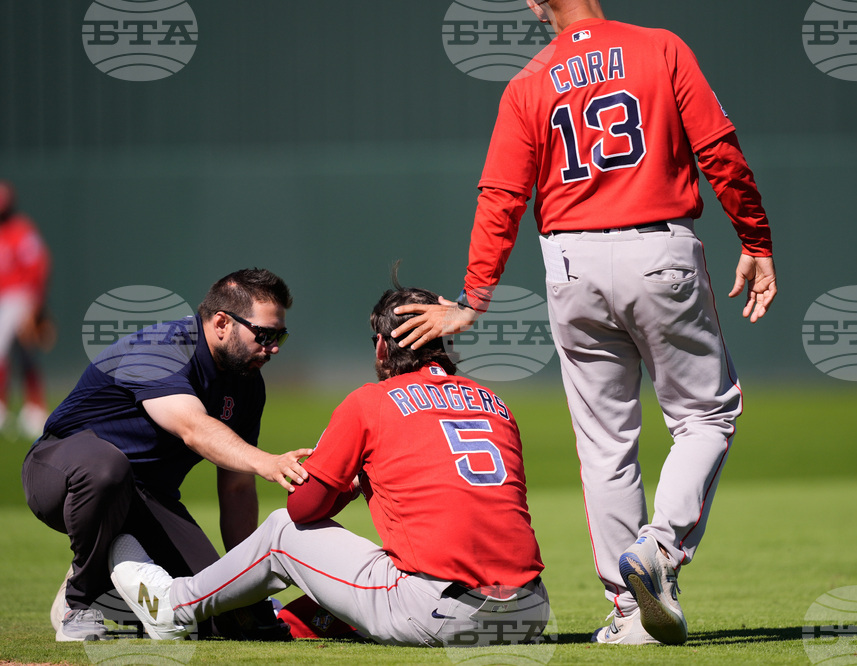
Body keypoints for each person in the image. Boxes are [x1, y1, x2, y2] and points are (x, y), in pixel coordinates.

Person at [392, 0, 776, 646]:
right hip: (658, 248)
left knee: (604, 442)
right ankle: (660, 548)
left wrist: (474, 296)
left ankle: (631, 615)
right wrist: (755, 237)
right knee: (706, 414)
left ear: (541, 2)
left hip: (570, 262)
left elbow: (502, 195)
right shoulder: (661, 48)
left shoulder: (530, 81)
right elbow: (718, 149)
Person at [107, 277, 548, 647]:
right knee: (386, 566)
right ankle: (292, 619)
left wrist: (345, 481)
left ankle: (173, 606)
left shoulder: (371, 401)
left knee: (282, 531)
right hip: (531, 611)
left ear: (381, 347)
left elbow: (303, 510)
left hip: (441, 612)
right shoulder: (494, 401)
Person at [21, 268, 311, 642]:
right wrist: (267, 461)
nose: (272, 348)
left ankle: (118, 587)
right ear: (222, 322)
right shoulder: (163, 347)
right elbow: (191, 426)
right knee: (108, 468)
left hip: (147, 500)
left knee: (217, 615)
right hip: (62, 471)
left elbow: (237, 489)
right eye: (265, 334)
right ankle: (79, 600)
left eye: (280, 337)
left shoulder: (248, 382)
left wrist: (246, 587)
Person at [0, 181, 52, 437]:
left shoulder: (21, 230)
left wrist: (36, 303)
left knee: (25, 352)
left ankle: (35, 407)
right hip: (4, 299)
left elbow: (38, 264)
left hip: (20, 297)